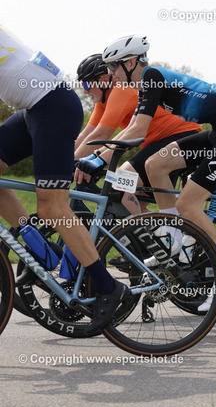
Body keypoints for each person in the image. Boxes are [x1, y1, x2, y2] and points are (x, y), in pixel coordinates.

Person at [100, 35, 216, 309]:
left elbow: (139, 130)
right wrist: (97, 155)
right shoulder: (146, 82)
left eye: (114, 66)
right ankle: (172, 238)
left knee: (188, 204)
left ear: (131, 62)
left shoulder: (151, 77)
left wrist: (97, 160)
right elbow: (134, 126)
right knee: (155, 165)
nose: (111, 73)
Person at [0, 24, 128, 334]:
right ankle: (42, 253)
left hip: (52, 106)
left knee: (52, 207)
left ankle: (108, 286)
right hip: (33, 109)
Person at [73, 53, 202, 216]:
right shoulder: (104, 100)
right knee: (135, 205)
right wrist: (72, 159)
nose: (85, 90)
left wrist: (82, 162)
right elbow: (88, 134)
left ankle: (168, 229)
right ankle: (158, 232)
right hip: (158, 143)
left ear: (104, 80)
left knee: (119, 183)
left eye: (86, 83)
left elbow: (102, 134)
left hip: (178, 136)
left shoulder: (121, 90)